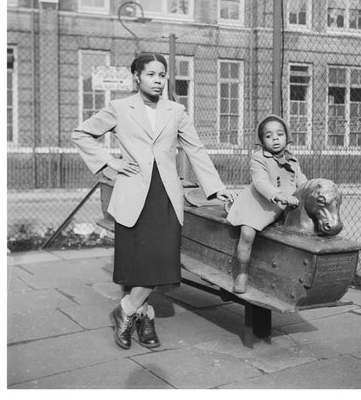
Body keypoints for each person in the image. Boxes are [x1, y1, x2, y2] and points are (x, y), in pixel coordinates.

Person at [72, 52, 234, 350]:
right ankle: (145, 318)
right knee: (138, 263)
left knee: (162, 260)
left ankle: (125, 310)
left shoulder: (176, 110)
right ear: (137, 77)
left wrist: (215, 188)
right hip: (133, 193)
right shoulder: (119, 108)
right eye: (151, 74)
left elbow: (195, 148)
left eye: (162, 75)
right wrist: (110, 163)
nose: (158, 80)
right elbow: (81, 134)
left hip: (166, 196)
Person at [226, 114, 307, 293]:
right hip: (257, 204)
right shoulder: (258, 158)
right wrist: (279, 197)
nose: (275, 139)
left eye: (279, 134)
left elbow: (302, 182)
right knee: (247, 234)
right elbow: (261, 183)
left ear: (287, 137)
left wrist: (313, 189)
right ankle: (242, 272)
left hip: (281, 207)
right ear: (262, 140)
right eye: (269, 136)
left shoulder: (293, 161)